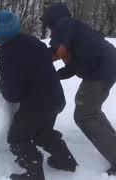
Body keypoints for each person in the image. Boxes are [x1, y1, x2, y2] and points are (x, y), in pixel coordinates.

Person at [0, 10, 78, 180]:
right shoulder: (33, 42)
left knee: (17, 138)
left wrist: (1, 84)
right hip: (55, 98)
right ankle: (65, 161)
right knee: (42, 132)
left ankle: (34, 174)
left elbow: (12, 96)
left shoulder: (7, 60)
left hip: (37, 106)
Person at [41, 3, 116, 176]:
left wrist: (37, 59)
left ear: (54, 19)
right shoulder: (77, 31)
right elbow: (73, 66)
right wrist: (55, 76)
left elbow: (58, 51)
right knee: (92, 112)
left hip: (100, 69)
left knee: (85, 115)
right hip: (105, 66)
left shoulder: (65, 24)